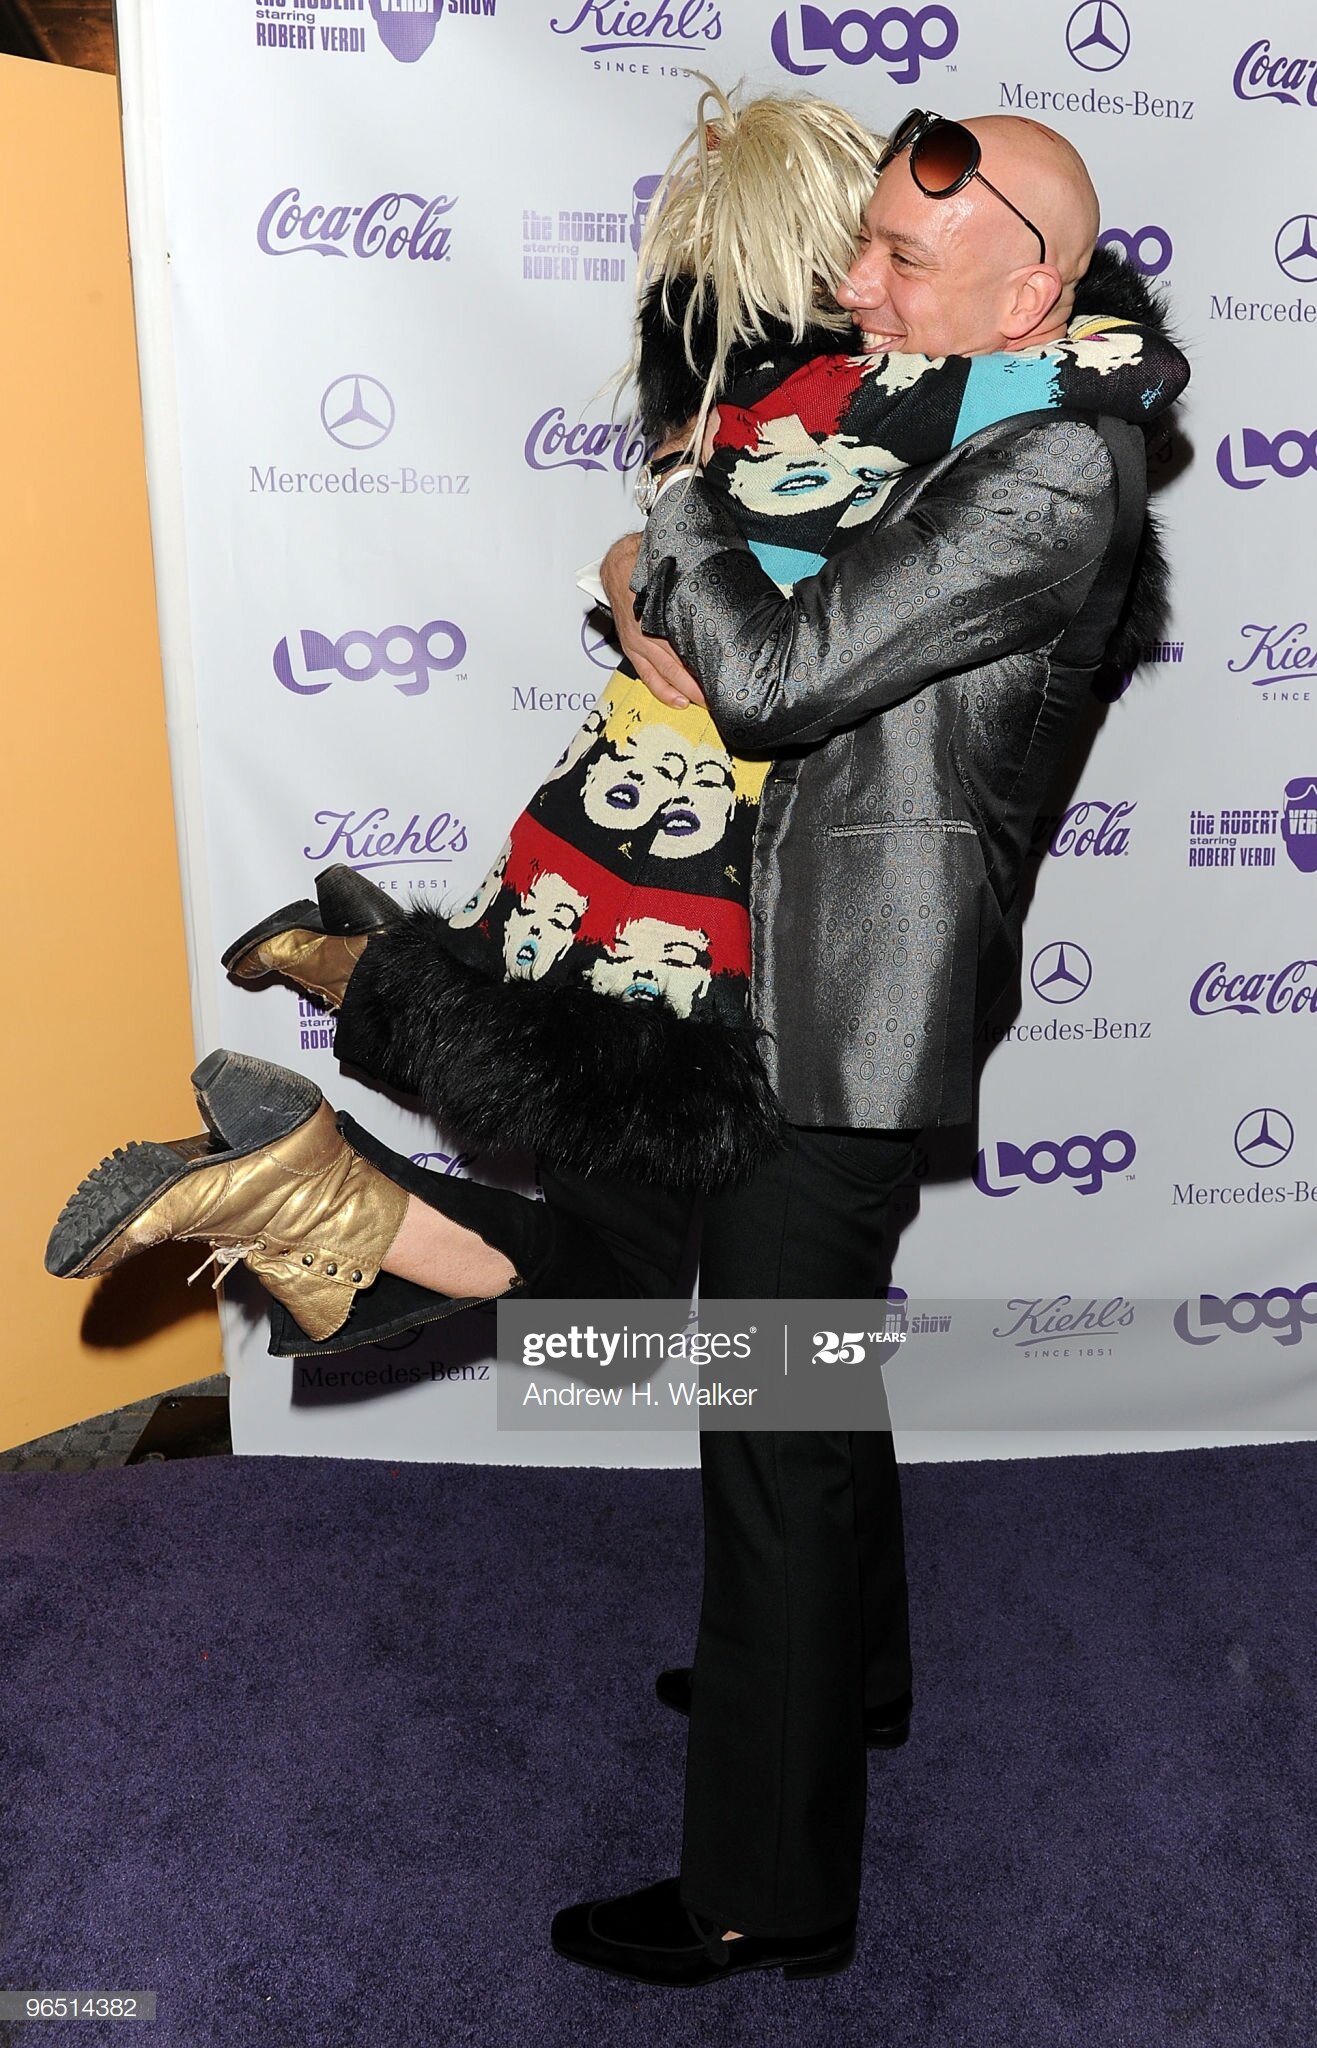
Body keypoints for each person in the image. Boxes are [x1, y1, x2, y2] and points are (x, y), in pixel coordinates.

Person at [45, 102, 1184, 1987]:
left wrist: (660, 528)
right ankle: (851, 1681)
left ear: (1034, 281)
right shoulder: (926, 406)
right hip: (741, 985)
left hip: (837, 1020)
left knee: (767, 1421)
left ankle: (765, 1892)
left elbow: (775, 672)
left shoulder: (1054, 464)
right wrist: (673, 562)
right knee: (780, 1371)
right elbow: (761, 614)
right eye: (862, 254)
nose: (853, 284)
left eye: (901, 263)